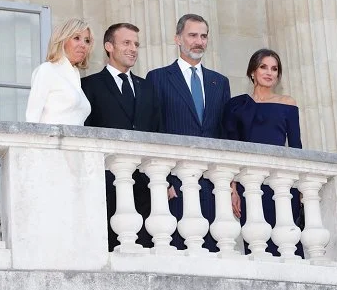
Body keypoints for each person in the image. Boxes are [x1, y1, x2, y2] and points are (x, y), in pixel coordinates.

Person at [146, 14, 231, 252]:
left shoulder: (220, 82)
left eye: (203, 36)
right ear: (178, 39)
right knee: (178, 251)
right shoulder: (158, 78)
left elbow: (224, 134)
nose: (199, 41)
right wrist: (162, 180)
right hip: (175, 183)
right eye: (192, 35)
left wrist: (230, 183)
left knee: (216, 252)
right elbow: (154, 131)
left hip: (214, 185)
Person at [81, 23, 161, 251]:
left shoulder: (148, 88)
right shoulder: (88, 86)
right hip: (106, 185)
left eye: (136, 44)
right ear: (109, 46)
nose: (133, 48)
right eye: (126, 43)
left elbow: (157, 132)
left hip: (146, 187)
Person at [223, 48, 303, 257]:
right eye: (263, 67)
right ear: (252, 72)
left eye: (274, 69)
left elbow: (296, 147)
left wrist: (302, 187)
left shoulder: (287, 103)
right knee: (257, 245)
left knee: (286, 245)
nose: (269, 72)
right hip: (249, 183)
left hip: (281, 184)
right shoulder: (235, 105)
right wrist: (232, 188)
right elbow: (231, 147)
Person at [26, 18, 94, 125]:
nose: (83, 45)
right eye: (76, 38)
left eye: (87, 40)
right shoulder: (47, 70)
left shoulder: (75, 76)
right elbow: (32, 118)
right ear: (62, 41)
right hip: (50, 140)